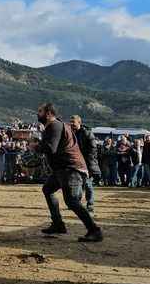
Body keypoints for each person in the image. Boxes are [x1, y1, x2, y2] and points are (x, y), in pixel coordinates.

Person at [35, 103, 102, 242]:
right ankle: (58, 224)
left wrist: (35, 146)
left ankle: (94, 230)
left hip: (71, 168)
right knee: (48, 189)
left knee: (72, 201)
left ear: (48, 114)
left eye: (40, 111)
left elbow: (50, 148)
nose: (38, 114)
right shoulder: (55, 126)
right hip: (63, 168)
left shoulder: (54, 125)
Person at [69, 115, 99, 213]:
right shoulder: (71, 133)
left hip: (87, 163)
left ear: (79, 123)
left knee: (87, 184)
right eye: (71, 122)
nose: (71, 124)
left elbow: (93, 149)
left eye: (73, 122)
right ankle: (77, 204)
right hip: (76, 162)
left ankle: (90, 205)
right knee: (77, 184)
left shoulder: (87, 133)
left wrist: (88, 162)